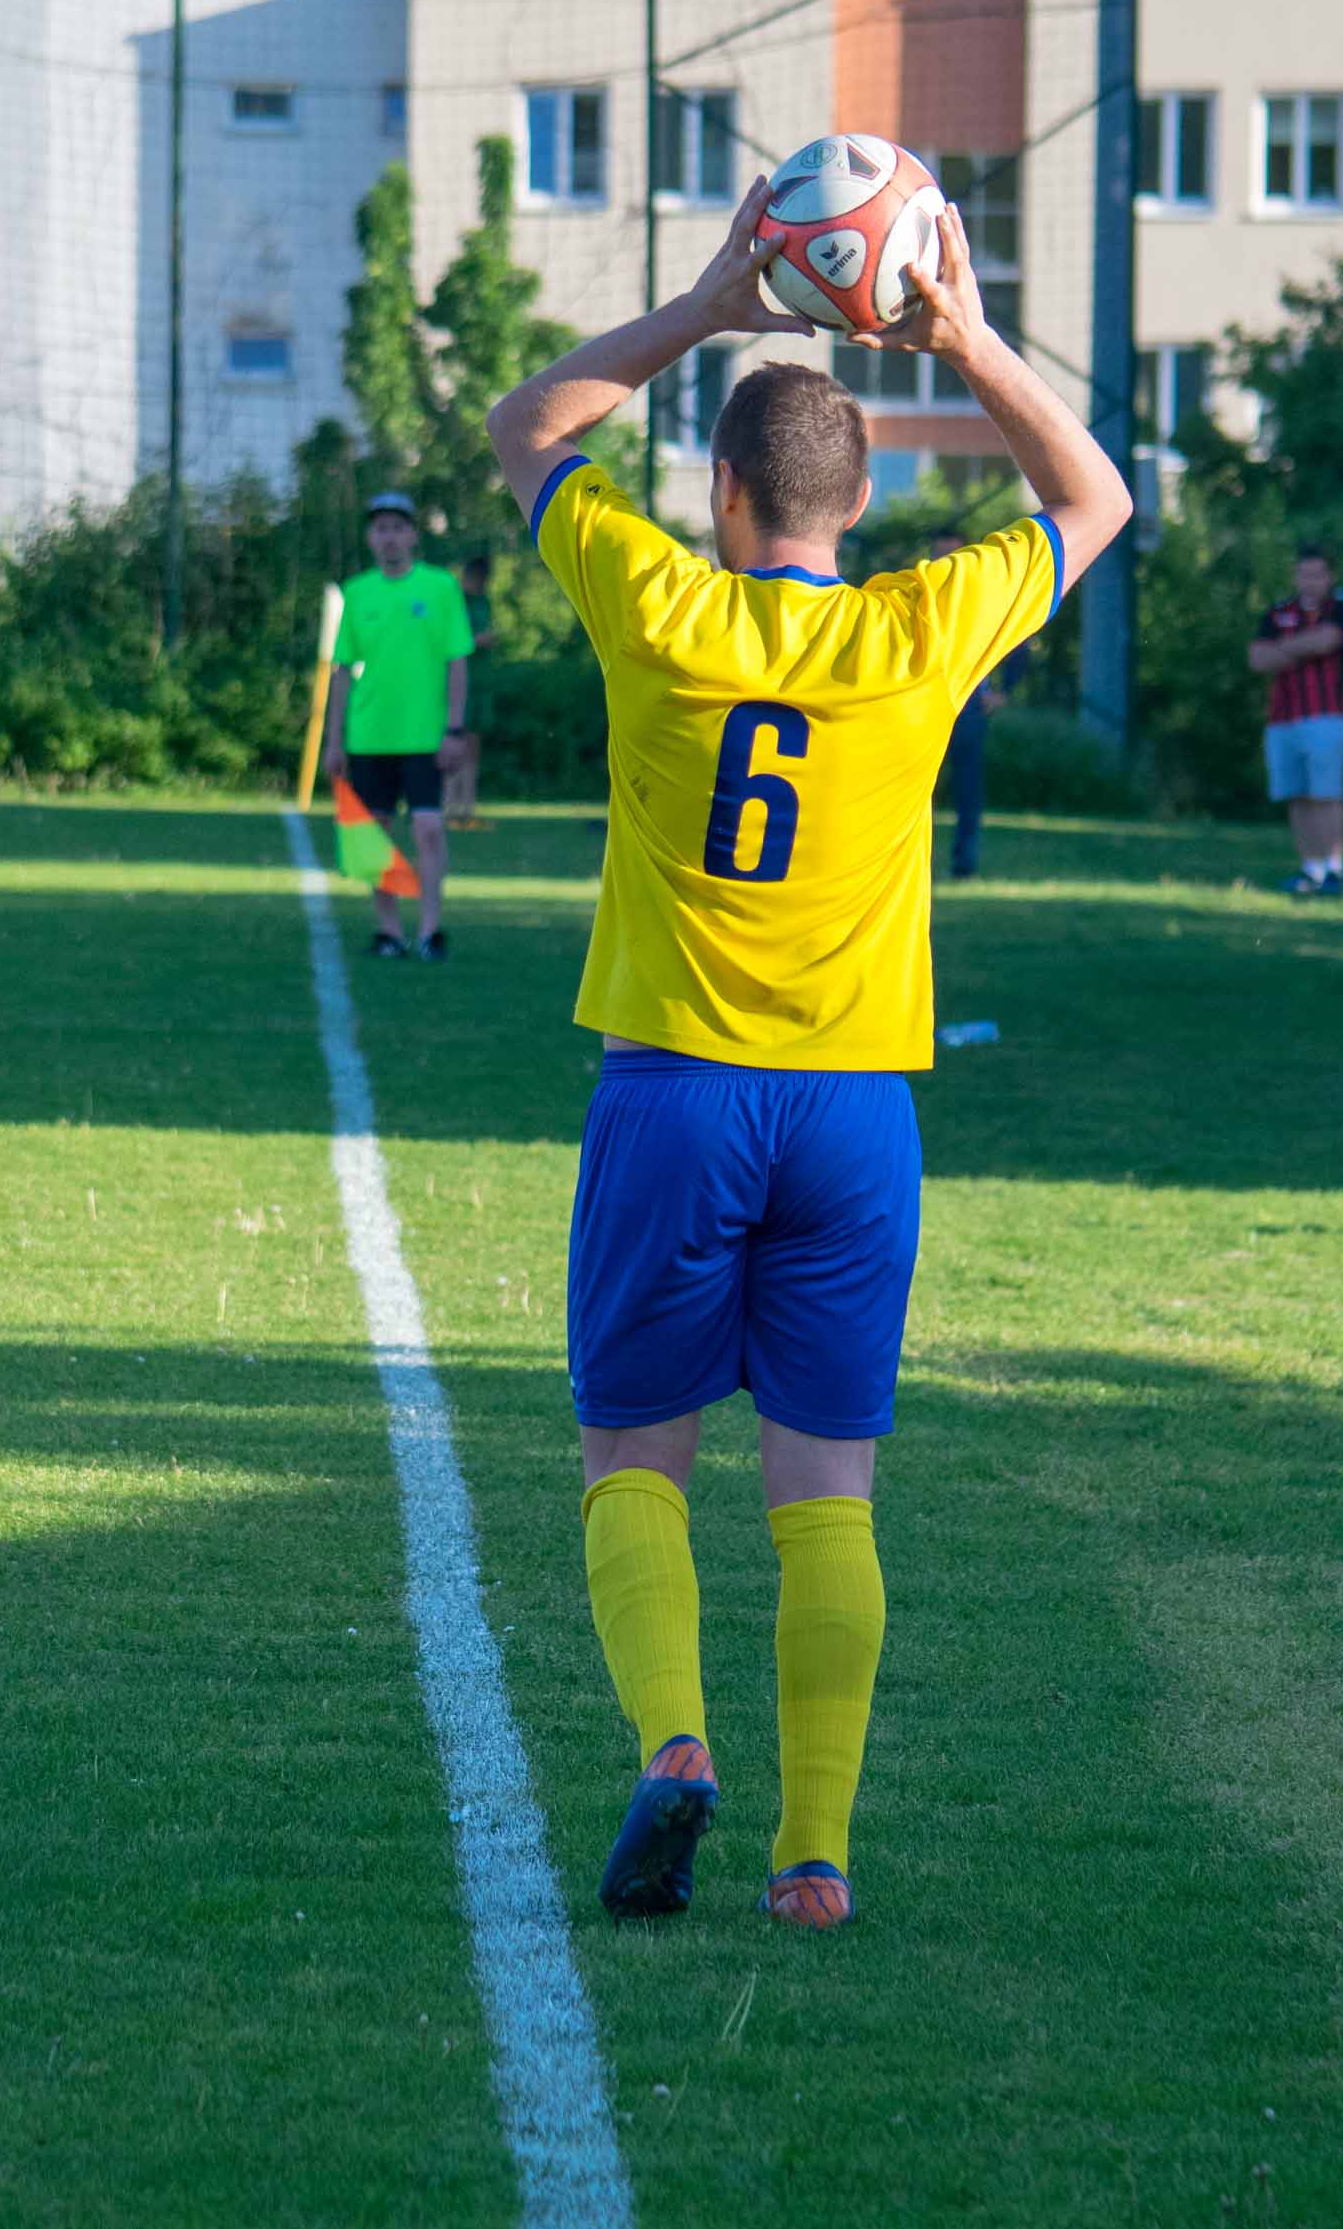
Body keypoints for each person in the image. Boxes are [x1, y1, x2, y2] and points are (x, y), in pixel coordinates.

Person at [481, 183, 1128, 1933]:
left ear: (724, 493)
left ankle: (676, 1744)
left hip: (672, 1095)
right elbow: (1097, 499)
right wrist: (962, 336)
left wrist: (705, 308)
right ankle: (816, 1856)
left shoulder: (658, 605)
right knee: (827, 1494)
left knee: (634, 1459)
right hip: (853, 1117)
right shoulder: (918, 631)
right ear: (866, 500)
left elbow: (525, 425)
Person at [317, 490, 474, 959]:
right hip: (369, 738)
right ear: (371, 537)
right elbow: (342, 670)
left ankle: (429, 930)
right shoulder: (357, 592)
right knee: (375, 836)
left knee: (428, 828)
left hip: (425, 737)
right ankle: (388, 930)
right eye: (381, 528)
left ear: (413, 536)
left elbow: (457, 662)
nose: (389, 537)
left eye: (398, 528)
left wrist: (454, 729)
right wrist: (334, 741)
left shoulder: (440, 588)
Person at [1250, 543, 1343, 896]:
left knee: (1326, 793)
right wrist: (1303, 647)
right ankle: (1311, 868)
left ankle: (1333, 869)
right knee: (1296, 793)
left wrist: (1283, 649)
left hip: (1325, 715)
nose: (1309, 581)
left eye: (1317, 574)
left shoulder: (1342, 607)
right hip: (1282, 717)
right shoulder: (1279, 610)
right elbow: (1257, 658)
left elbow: (1329, 640)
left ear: (1329, 576)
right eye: (1304, 574)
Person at [935, 528, 1028, 879]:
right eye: (939, 555)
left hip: (969, 709)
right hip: (927, 705)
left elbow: (1019, 646)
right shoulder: (922, 597)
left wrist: (1002, 691)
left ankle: (964, 861)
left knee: (967, 788)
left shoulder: (982, 600)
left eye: (952, 555)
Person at [448, 547, 501, 829]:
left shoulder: (484, 602)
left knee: (473, 748)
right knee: (454, 743)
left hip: (481, 685)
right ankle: (449, 806)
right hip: (459, 685)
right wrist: (475, 641)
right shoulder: (455, 602)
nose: (480, 584)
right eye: (476, 578)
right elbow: (448, 641)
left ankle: (467, 807)